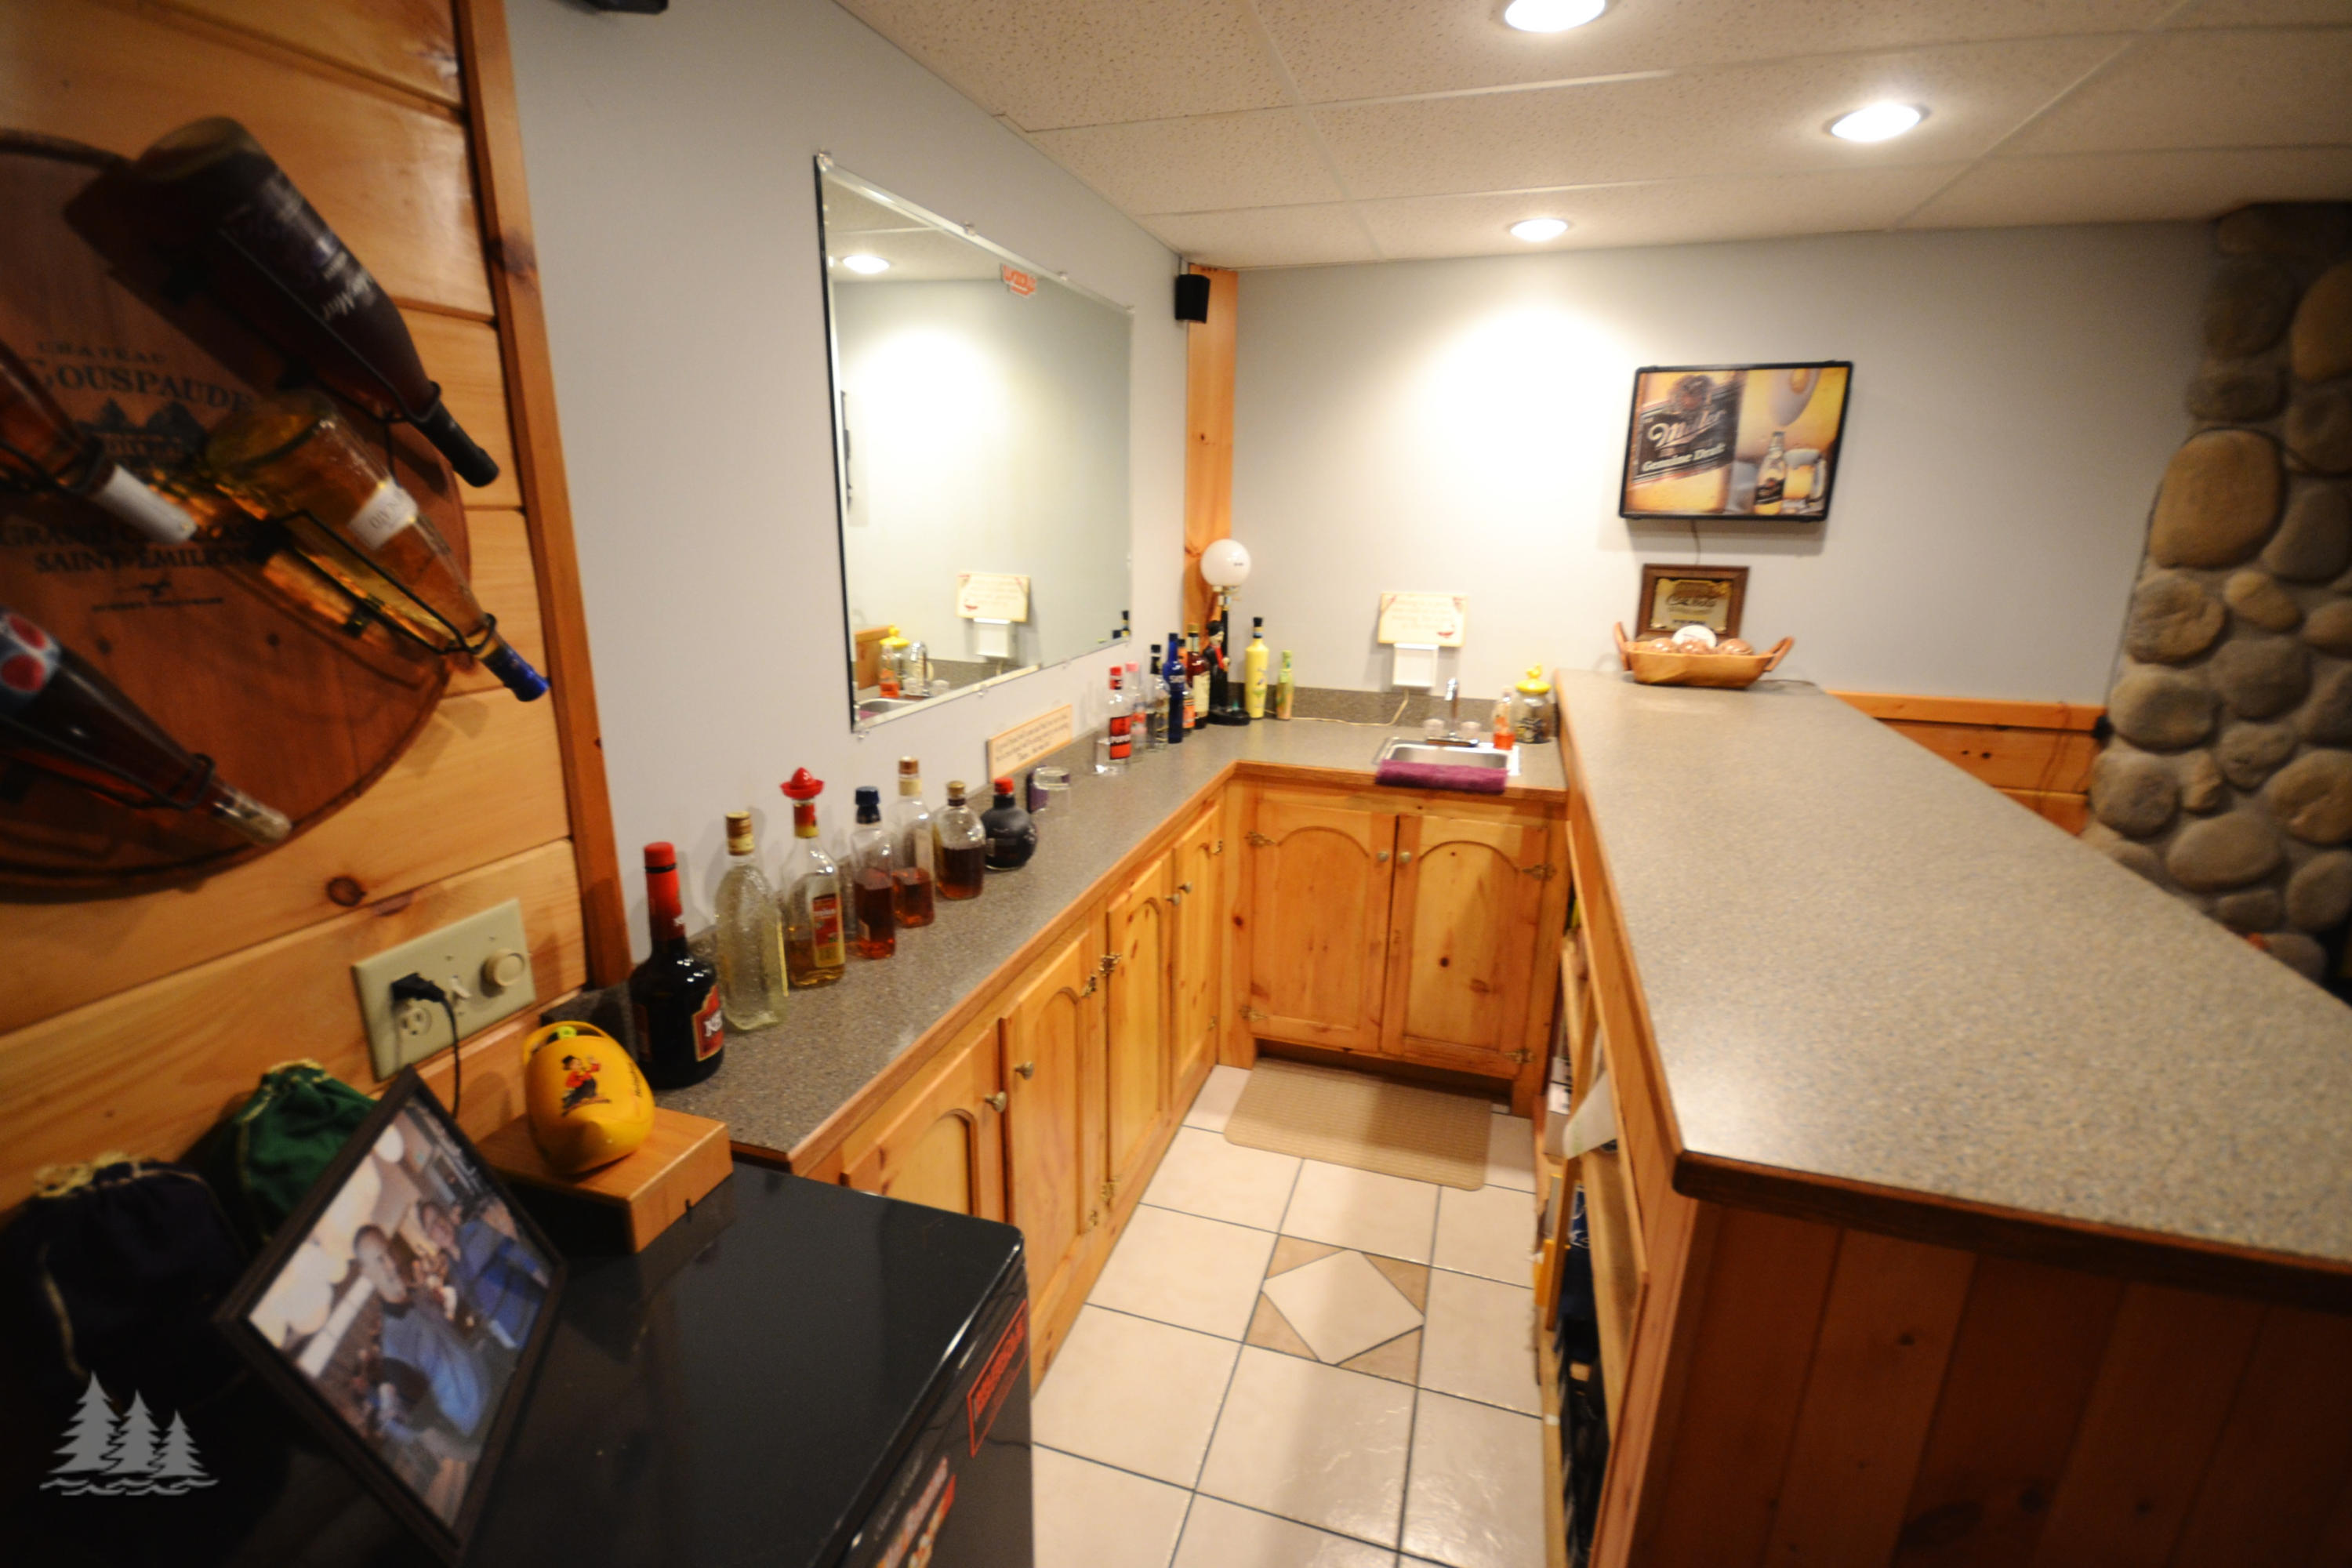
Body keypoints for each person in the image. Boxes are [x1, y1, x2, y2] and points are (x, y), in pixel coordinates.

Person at [352, 1225, 490, 1442]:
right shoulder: (394, 1349)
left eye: (390, 1251)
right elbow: (419, 1426)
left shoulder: (418, 1297)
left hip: (490, 1381)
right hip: (479, 1423)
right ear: (367, 1274)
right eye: (379, 1260)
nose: (392, 1263)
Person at [416, 1200, 547, 1352]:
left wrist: (550, 1289)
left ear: (446, 1216)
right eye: (432, 1226)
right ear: (430, 1237)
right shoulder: (453, 1273)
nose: (439, 1227)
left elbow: (522, 1257)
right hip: (521, 1337)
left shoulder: (475, 1230)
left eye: (439, 1217)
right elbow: (481, 1309)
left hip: (538, 1309)